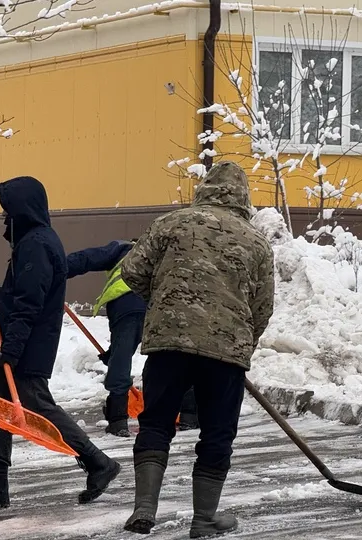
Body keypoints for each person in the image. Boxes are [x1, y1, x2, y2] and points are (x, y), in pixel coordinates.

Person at [120, 161, 274, 537]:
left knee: (156, 422)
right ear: (243, 197)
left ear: (204, 189)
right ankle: (204, 519)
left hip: (168, 343)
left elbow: (131, 271)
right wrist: (241, 343)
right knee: (217, 433)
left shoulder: (170, 223)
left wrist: (165, 304)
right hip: (225, 352)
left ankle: (145, 508)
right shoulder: (255, 242)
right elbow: (263, 306)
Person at [0, 176, 121, 509]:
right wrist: (1, 294)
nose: (4, 217)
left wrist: (11, 351)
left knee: (40, 408)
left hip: (27, 345)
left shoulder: (35, 244)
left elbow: (31, 302)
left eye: (8, 210)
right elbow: (32, 286)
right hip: (22, 341)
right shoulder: (35, 241)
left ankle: (98, 462)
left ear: (23, 210)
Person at [66, 240, 199, 437]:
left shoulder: (123, 248)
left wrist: (56, 268)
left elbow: (86, 258)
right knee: (175, 357)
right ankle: (189, 414)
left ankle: (118, 420)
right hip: (163, 308)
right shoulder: (165, 254)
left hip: (127, 306)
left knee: (121, 359)